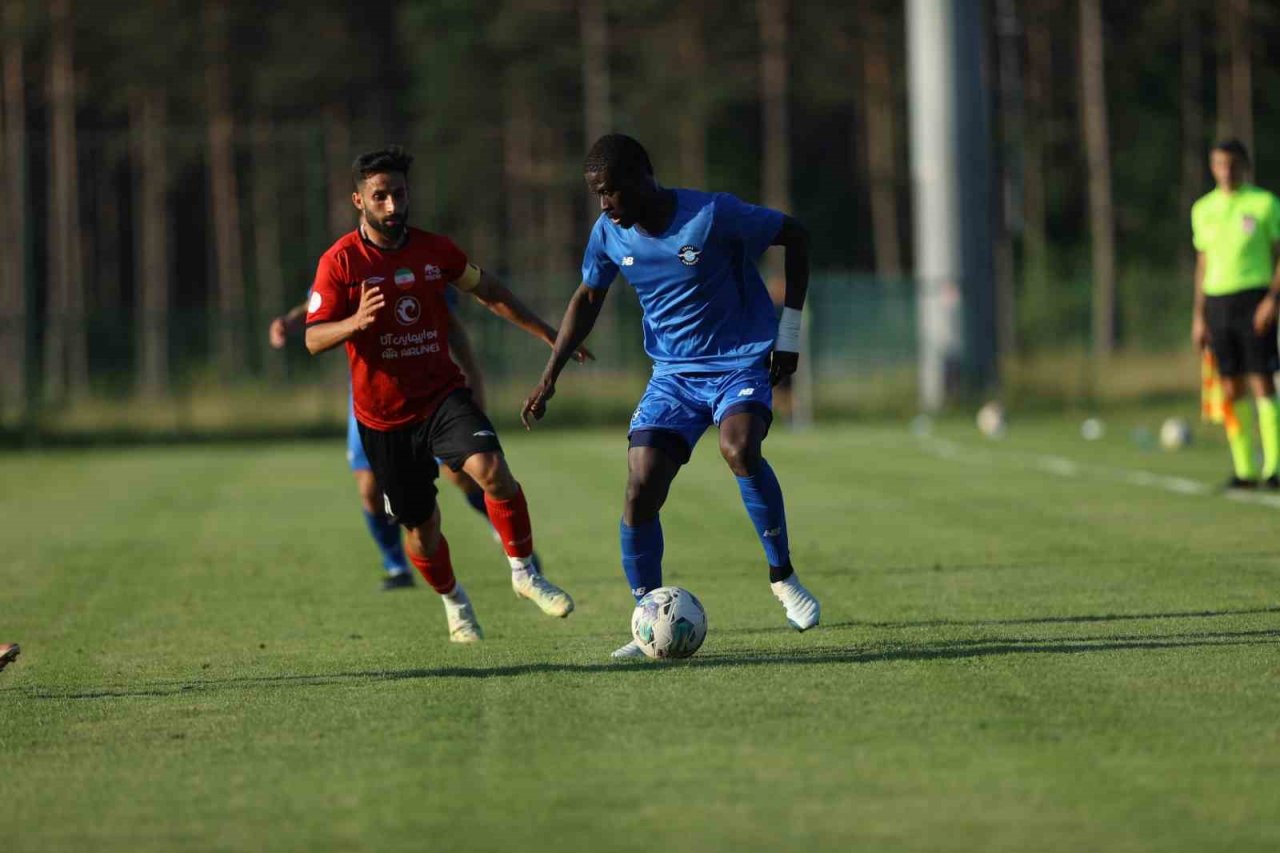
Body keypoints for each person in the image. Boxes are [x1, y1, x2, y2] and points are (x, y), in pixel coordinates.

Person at [521, 133, 820, 659]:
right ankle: (646, 615)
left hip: (739, 361)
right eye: (597, 194)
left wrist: (788, 333)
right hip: (672, 377)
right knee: (640, 485)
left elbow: (795, 235)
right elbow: (588, 295)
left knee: (740, 448)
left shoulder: (711, 214)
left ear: (643, 177)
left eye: (611, 191)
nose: (604, 203)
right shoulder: (608, 233)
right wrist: (551, 374)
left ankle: (783, 578)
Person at [305, 146, 587, 643]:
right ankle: (454, 602)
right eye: (380, 196)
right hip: (384, 421)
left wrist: (548, 332)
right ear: (359, 201)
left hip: (441, 397)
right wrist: (355, 322)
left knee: (492, 471)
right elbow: (313, 337)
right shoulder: (341, 262)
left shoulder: (436, 252)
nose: (393, 205)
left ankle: (525, 574)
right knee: (423, 529)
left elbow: (490, 291)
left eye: (399, 194)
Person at [270, 287, 543, 591]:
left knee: (464, 474)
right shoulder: (343, 260)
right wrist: (290, 321)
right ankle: (396, 565)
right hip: (370, 398)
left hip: (430, 394)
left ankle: (510, 538)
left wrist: (473, 373)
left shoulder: (419, 258)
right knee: (369, 488)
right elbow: (317, 303)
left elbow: (451, 322)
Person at [1191, 139, 1280, 490]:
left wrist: (1272, 299)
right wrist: (1198, 315)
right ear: (1212, 167)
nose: (1225, 171)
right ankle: (1244, 469)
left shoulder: (1264, 203)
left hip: (1254, 298)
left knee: (1262, 379)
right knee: (1230, 386)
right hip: (1217, 303)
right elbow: (1202, 264)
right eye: (1218, 164)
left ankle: (1274, 467)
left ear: (1243, 165)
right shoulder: (1203, 209)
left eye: (1231, 164)